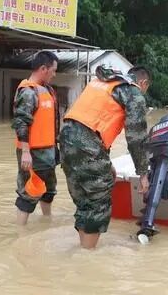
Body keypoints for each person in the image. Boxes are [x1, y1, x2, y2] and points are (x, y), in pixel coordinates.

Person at [59, 65, 151, 249]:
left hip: (65, 139)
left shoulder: (102, 82)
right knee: (98, 203)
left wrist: (107, 163)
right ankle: (87, 257)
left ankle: (83, 248)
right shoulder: (133, 92)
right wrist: (143, 173)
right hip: (88, 145)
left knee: (84, 201)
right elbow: (136, 138)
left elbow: (94, 122)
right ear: (143, 83)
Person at [11, 51, 60, 225]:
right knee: (28, 193)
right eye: (53, 70)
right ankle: (20, 233)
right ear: (43, 69)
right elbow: (21, 123)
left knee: (49, 190)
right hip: (32, 153)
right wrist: (25, 152)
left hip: (48, 152)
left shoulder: (48, 90)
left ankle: (46, 221)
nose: (54, 74)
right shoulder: (28, 92)